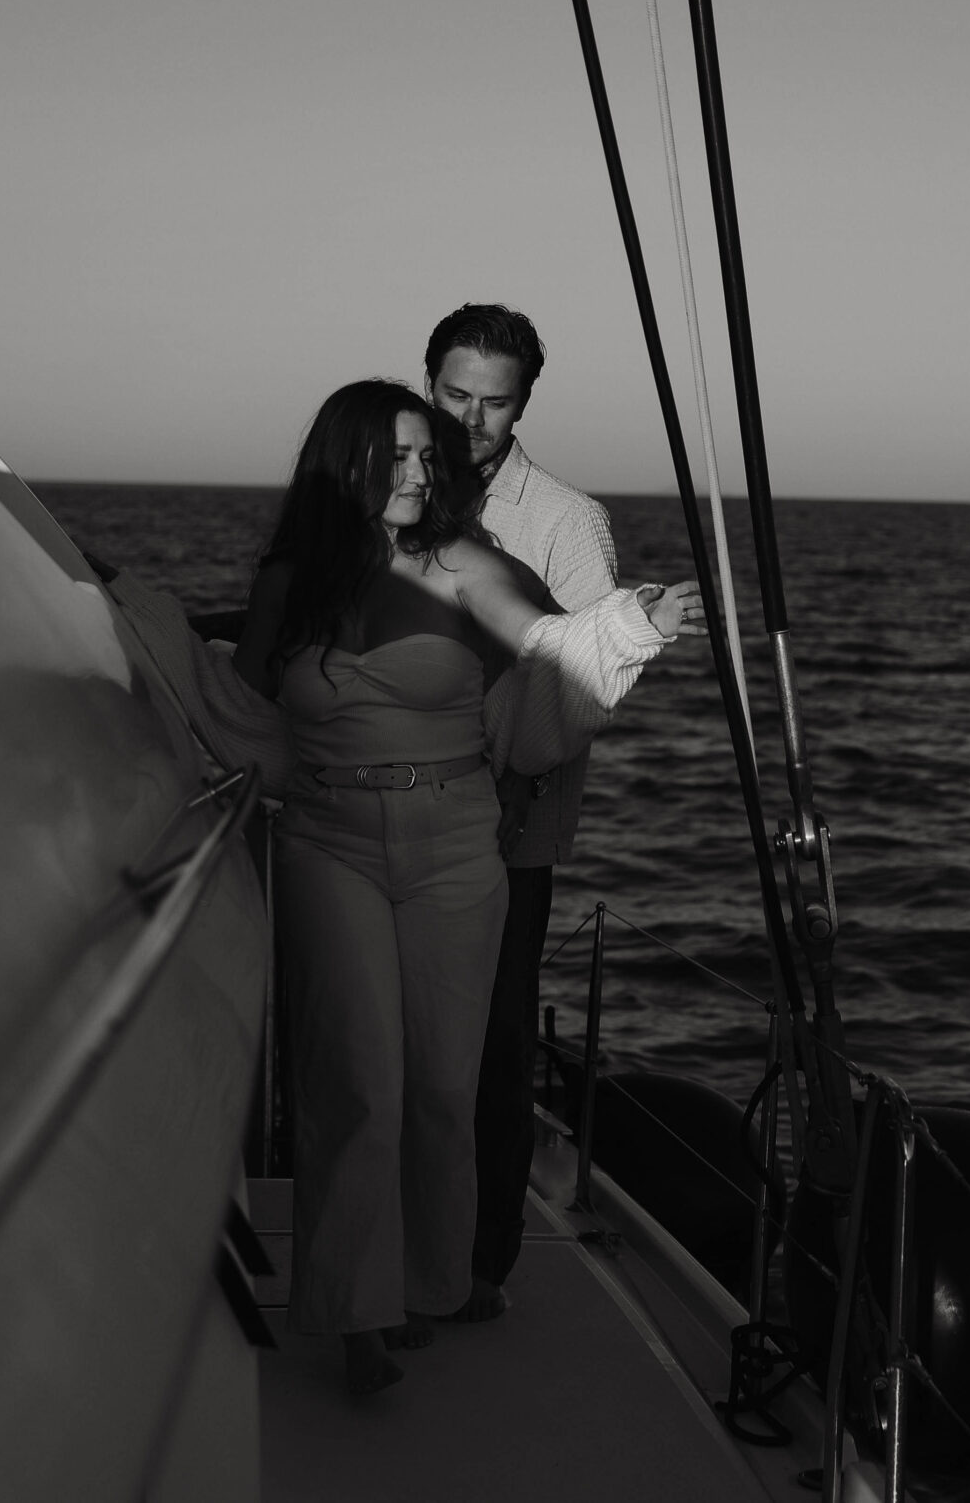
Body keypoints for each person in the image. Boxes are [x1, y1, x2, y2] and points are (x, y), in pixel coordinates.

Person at [233, 378, 699, 1395]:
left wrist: (633, 620)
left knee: (442, 1084)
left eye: (425, 457)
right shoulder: (288, 581)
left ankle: (427, 1284)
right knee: (356, 1078)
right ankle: (355, 1316)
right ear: (343, 463)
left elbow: (548, 644)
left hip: (453, 841)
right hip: (327, 840)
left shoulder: (465, 565)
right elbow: (238, 706)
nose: (417, 473)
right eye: (396, 456)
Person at [421, 303, 619, 1322]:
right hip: (387, 824)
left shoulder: (569, 521)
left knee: (492, 1047)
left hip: (506, 837)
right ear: (428, 387)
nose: (471, 421)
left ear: (524, 405)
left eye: (495, 404)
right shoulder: (392, 493)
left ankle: (479, 1263)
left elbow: (583, 687)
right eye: (454, 397)